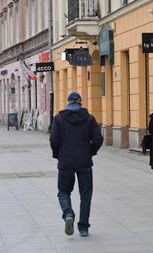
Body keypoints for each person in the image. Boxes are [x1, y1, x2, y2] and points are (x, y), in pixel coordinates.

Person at [50, 92, 103, 237]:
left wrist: (58, 154)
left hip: (65, 161)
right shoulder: (89, 119)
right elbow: (98, 139)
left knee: (63, 192)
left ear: (68, 103)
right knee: (85, 195)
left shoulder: (58, 119)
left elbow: (54, 140)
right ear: (80, 103)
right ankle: (84, 228)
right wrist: (90, 151)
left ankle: (68, 214)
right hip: (84, 161)